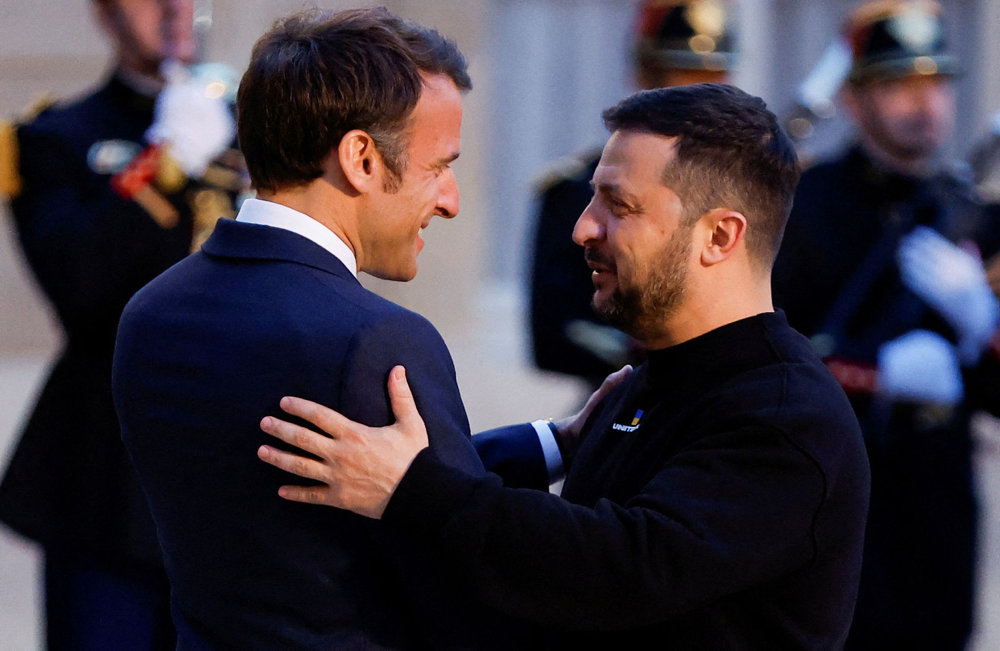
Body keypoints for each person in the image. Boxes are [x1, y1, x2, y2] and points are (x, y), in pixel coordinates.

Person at [257, 83, 872, 648]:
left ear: (719, 237)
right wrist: (554, 443)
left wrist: (412, 489)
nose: (583, 229)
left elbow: (617, 568)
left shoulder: (787, 419)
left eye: (619, 207)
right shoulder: (656, 381)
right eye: (591, 201)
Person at [112, 6, 535, 649]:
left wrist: (552, 440)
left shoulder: (150, 312)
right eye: (438, 166)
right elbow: (461, 580)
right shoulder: (375, 340)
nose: (450, 199)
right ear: (361, 158)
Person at [0, 0, 241, 648]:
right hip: (107, 480)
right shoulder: (56, 134)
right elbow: (77, 282)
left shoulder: (256, 131)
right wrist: (165, 161)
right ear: (105, 10)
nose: (175, 6)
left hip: (234, 461)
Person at [771, 0, 1000, 649]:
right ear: (853, 100)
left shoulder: (978, 219)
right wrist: (876, 374)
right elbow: (763, 362)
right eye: (899, 85)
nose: (924, 104)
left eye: (936, 84)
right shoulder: (804, 211)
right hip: (830, 506)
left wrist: (981, 323)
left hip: (936, 512)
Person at [530, 0, 735, 388]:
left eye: (712, 79)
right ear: (643, 78)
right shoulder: (576, 191)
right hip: (629, 398)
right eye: (682, 77)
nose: (697, 98)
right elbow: (554, 335)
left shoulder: (750, 188)